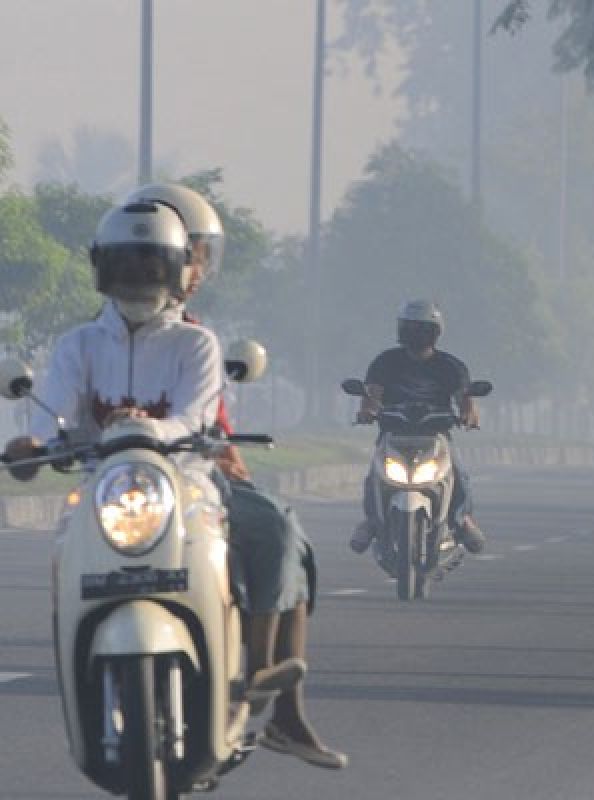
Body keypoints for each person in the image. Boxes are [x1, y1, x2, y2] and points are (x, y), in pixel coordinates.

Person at [122, 184, 345, 770]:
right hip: (123, 486)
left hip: (197, 480)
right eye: (188, 252)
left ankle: (270, 692)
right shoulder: (91, 338)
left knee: (280, 529)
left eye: (194, 255)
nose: (193, 268)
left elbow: (207, 421)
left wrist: (220, 452)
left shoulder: (195, 337)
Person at [349, 300, 486, 554]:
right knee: (374, 477)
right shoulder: (385, 361)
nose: (416, 334)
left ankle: (463, 519)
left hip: (435, 436)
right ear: (401, 330)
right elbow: (371, 394)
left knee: (458, 474)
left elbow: (465, 399)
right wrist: (367, 411)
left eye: (422, 329)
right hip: (393, 433)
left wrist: (468, 415)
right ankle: (371, 521)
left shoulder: (450, 366)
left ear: (435, 332)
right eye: (410, 328)